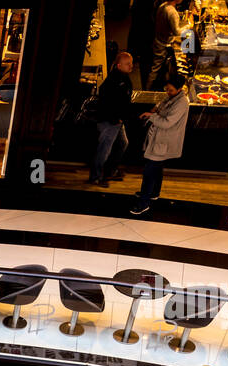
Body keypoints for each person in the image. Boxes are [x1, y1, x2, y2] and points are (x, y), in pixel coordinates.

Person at [130, 72, 189, 216]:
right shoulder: (172, 96)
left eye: (171, 90)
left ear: (180, 89)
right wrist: (156, 109)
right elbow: (161, 104)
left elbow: (167, 122)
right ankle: (154, 193)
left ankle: (143, 204)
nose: (167, 92)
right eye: (167, 89)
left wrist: (151, 116)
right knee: (157, 168)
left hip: (164, 140)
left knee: (149, 172)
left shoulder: (182, 103)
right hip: (160, 139)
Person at [89, 52, 134, 187]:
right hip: (110, 121)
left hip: (117, 121)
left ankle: (109, 171)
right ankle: (96, 177)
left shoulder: (123, 78)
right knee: (104, 149)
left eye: (131, 63)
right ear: (119, 65)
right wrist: (117, 118)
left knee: (122, 144)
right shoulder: (114, 80)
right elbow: (107, 102)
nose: (131, 66)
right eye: (128, 64)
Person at [148, 0, 182, 89]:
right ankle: (148, 91)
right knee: (156, 68)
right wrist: (188, 28)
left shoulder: (162, 6)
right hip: (163, 44)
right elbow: (176, 32)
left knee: (156, 68)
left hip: (158, 40)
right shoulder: (172, 12)